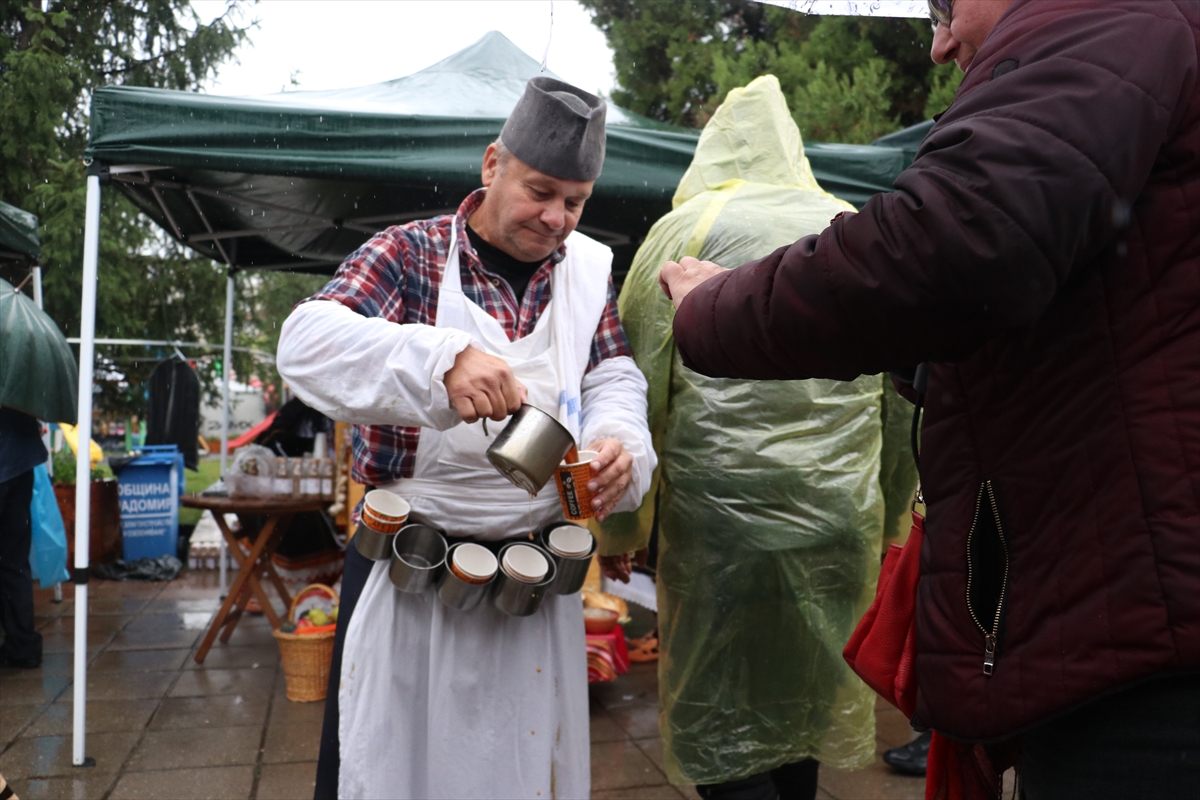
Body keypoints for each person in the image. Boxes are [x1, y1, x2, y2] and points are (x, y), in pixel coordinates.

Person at [658, 0, 1199, 797]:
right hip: (1110, 596)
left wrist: (714, 307)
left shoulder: (1109, 18)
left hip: (1141, 632)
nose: (941, 44)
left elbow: (955, 245)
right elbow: (1084, 306)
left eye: (943, 7)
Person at [277, 76, 655, 800]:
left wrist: (617, 443)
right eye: (539, 191)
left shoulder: (586, 275)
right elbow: (305, 343)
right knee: (386, 765)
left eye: (574, 201)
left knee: (514, 769)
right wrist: (437, 362)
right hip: (408, 566)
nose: (555, 218)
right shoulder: (410, 254)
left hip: (533, 579)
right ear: (492, 165)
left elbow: (613, 377)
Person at [598, 76, 917, 800]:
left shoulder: (682, 235)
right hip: (839, 518)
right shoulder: (848, 225)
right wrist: (891, 514)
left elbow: (637, 380)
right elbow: (901, 398)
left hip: (719, 525)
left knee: (720, 703)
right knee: (803, 699)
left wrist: (620, 528)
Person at [0, 406, 47, 669]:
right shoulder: (21, 364)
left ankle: (21, 645)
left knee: (13, 557)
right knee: (14, 559)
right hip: (20, 458)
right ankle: (22, 646)